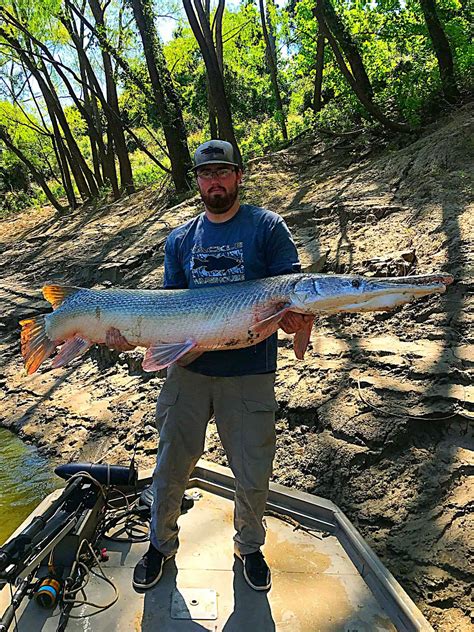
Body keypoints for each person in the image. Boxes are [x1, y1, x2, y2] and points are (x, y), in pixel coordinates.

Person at [129, 140, 310, 592]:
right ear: (198, 181)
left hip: (249, 375)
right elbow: (168, 310)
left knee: (253, 470)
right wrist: (129, 335)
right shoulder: (180, 239)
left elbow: (291, 298)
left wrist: (295, 320)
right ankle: (160, 545)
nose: (215, 181)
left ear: (238, 175)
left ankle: (249, 546)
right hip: (188, 374)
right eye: (206, 174)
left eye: (223, 172)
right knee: (170, 464)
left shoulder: (267, 228)